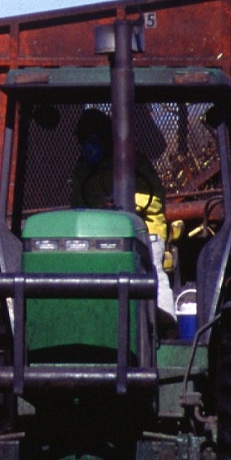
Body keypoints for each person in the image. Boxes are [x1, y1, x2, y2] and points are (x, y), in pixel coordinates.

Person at [69, 108, 175, 317]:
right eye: (83, 142)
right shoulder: (83, 169)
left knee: (152, 268)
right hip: (100, 235)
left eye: (93, 141)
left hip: (145, 233)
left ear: (106, 141)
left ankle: (165, 316)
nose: (87, 148)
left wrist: (125, 202)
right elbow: (77, 203)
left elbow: (153, 200)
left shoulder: (135, 162)